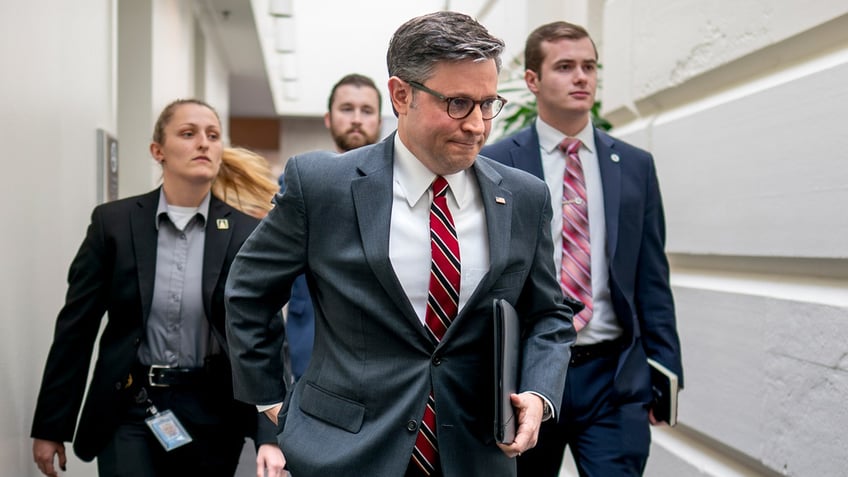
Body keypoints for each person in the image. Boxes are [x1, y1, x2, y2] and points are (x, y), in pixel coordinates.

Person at [225, 11, 576, 477]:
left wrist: (538, 392)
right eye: (457, 103)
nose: (477, 125)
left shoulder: (524, 196)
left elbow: (549, 314)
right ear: (401, 95)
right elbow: (249, 292)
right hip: (343, 454)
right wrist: (274, 401)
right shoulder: (323, 186)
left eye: (488, 103)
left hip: (475, 454)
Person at [30, 99, 276, 477]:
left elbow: (264, 338)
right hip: (130, 404)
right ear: (157, 151)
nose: (203, 144)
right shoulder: (113, 224)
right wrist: (50, 427)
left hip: (213, 413)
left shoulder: (245, 233)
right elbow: (75, 330)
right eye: (188, 133)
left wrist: (270, 435)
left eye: (212, 136)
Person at [481, 21, 684, 476]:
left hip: (614, 377)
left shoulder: (634, 166)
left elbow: (652, 276)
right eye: (565, 66)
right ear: (532, 80)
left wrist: (666, 369)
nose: (581, 77)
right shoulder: (496, 163)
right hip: (526, 377)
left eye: (589, 66)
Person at [285, 73, 384, 383]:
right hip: (310, 338)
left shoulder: (400, 187)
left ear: (380, 120)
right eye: (346, 109)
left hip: (380, 344)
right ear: (328, 118)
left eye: (366, 111)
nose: (356, 119)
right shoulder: (298, 182)